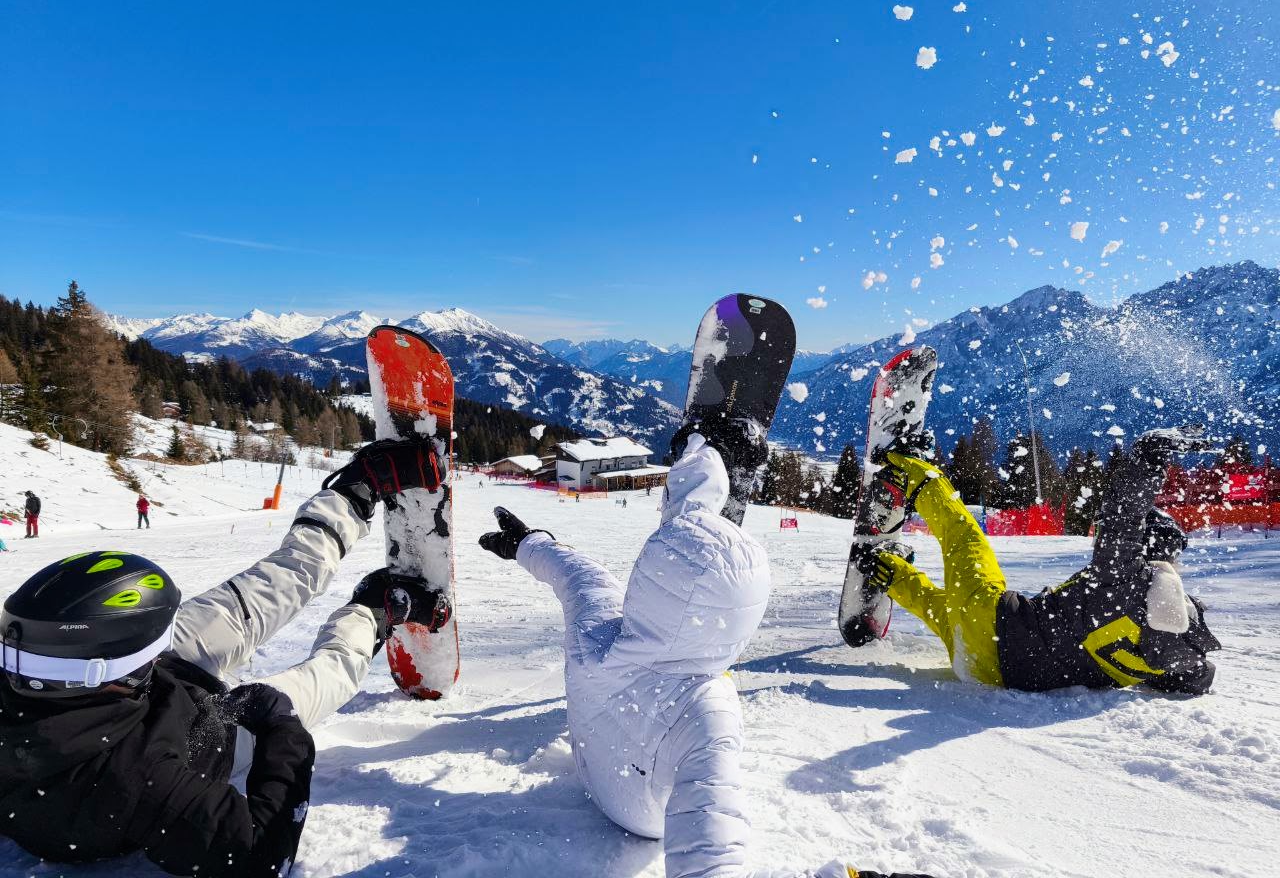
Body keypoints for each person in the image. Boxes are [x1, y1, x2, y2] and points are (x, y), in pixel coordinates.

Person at [481, 427, 932, 878]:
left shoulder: (595, 633)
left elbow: (580, 575)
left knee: (681, 587)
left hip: (594, 770)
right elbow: (709, 861)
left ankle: (705, 459)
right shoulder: (708, 713)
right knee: (707, 662)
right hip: (644, 816)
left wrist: (528, 543)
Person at [0, 437, 448, 877]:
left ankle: (354, 491)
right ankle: (373, 611)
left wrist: (153, 653)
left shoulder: (56, 671)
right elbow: (259, 854)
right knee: (330, 673)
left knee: (272, 585)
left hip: (133, 688)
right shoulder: (134, 779)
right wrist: (279, 728)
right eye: (152, 646)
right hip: (215, 735)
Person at [850, 426, 1221, 693]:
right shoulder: (1172, 653)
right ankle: (883, 568)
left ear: (1143, 546)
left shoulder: (1127, 581)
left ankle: (906, 467)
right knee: (941, 609)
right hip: (987, 671)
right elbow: (1198, 677)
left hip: (996, 625)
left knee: (963, 535)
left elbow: (1121, 516)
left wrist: (1148, 456)